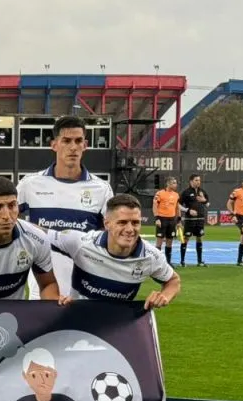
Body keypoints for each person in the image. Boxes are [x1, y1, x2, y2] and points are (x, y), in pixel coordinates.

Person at [16, 115, 114, 299]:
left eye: (78, 141)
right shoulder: (30, 184)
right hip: (42, 291)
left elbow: (110, 234)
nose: (73, 147)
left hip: (85, 292)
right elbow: (5, 216)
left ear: (85, 145)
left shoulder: (101, 189)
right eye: (66, 141)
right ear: (54, 145)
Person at [49, 193, 181, 309]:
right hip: (79, 323)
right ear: (107, 224)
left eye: (135, 223)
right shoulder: (81, 243)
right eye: (122, 222)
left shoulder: (151, 257)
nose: (130, 229)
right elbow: (39, 235)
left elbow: (173, 281)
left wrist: (164, 296)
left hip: (117, 327)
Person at [177, 174, 209, 267]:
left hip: (200, 219)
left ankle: (199, 261)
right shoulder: (186, 192)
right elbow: (178, 205)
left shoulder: (202, 191)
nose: (198, 182)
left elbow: (207, 205)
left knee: (199, 238)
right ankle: (182, 262)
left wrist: (204, 200)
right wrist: (188, 210)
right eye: (196, 180)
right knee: (186, 239)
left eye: (199, 180)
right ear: (191, 181)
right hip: (189, 219)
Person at [152, 177, 180, 264]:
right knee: (159, 241)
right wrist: (157, 219)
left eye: (176, 183)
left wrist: (178, 220)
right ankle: (157, 262)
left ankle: (168, 262)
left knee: (169, 241)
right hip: (162, 219)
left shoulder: (176, 195)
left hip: (172, 220)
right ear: (168, 184)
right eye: (174, 183)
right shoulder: (160, 193)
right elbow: (155, 206)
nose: (176, 185)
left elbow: (177, 207)